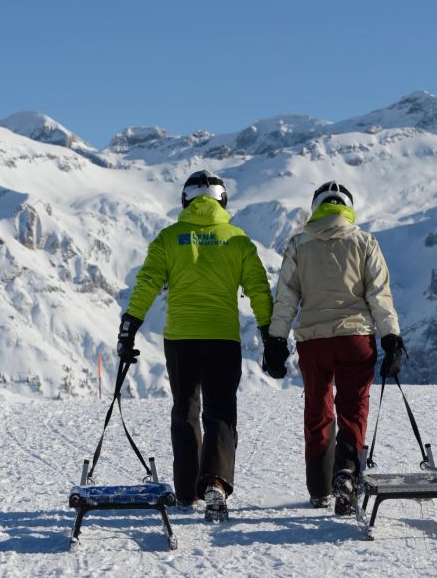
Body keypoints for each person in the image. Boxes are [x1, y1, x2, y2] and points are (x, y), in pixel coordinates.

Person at [116, 169, 273, 522]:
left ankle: (186, 491)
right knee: (219, 411)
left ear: (185, 200)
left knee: (185, 409)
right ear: (223, 200)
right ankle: (215, 483)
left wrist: (130, 327)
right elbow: (259, 289)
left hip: (180, 338)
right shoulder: (238, 239)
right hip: (222, 337)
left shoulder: (169, 238)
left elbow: (147, 284)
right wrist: (268, 333)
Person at [263, 181, 405, 515]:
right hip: (356, 338)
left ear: (317, 207)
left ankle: (319, 489)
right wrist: (391, 338)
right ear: (347, 207)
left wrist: (276, 340)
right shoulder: (365, 242)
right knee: (353, 408)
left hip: (313, 342)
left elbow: (286, 298)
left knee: (318, 408)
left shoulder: (298, 244)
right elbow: (379, 297)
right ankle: (346, 477)